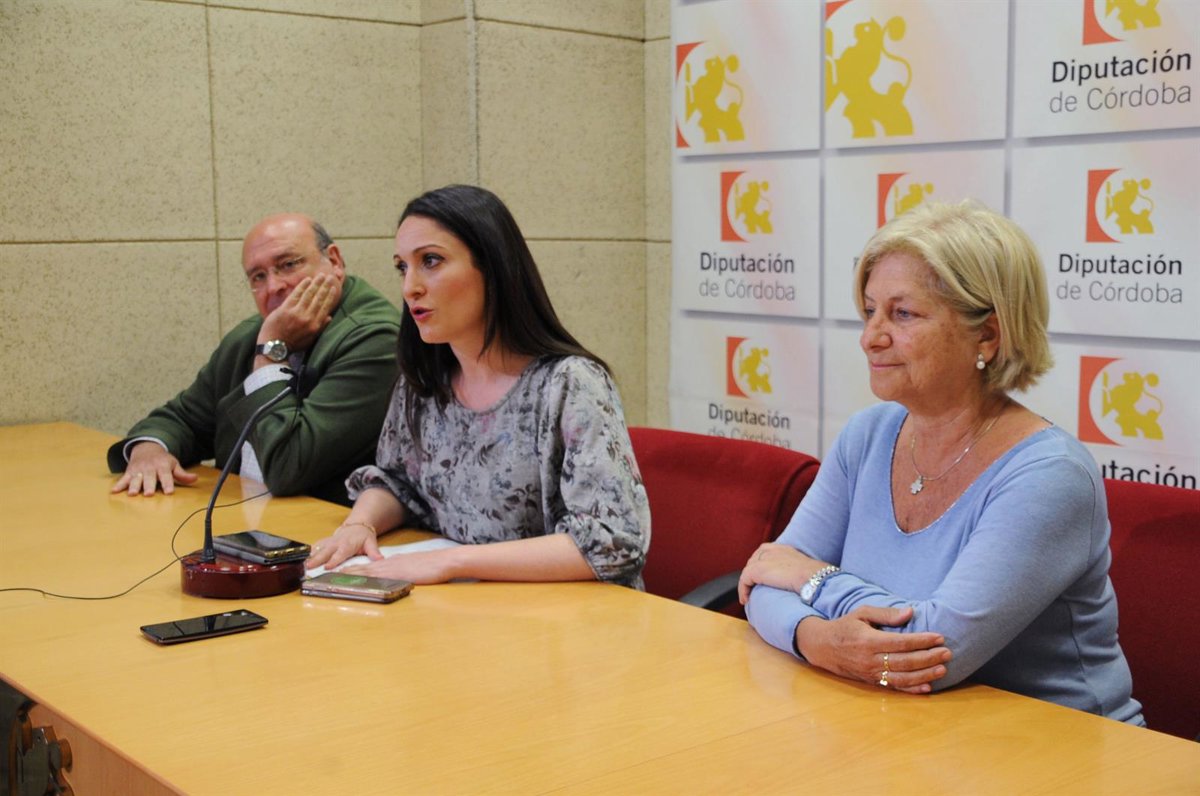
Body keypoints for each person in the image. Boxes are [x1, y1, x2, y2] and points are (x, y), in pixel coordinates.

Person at [737, 200, 1143, 724]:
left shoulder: (1051, 475)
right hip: (904, 727)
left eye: (903, 314)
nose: (871, 337)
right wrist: (816, 639)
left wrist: (813, 580)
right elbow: (765, 580)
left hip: (1059, 745)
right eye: (870, 311)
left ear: (988, 335)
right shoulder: (868, 435)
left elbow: (932, 651)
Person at [304, 185, 650, 587]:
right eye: (403, 267)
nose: (410, 287)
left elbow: (612, 543)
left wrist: (451, 562)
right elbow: (398, 483)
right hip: (466, 606)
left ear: (493, 267)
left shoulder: (571, 384)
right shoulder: (424, 385)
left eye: (430, 261)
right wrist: (359, 525)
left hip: (567, 614)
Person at [107, 214, 402, 506]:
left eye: (288, 264)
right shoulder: (251, 335)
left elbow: (288, 467)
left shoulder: (376, 339)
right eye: (258, 276)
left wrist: (271, 354)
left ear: (334, 261)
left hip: (323, 527)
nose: (274, 287)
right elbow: (183, 418)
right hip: (240, 515)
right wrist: (149, 450)